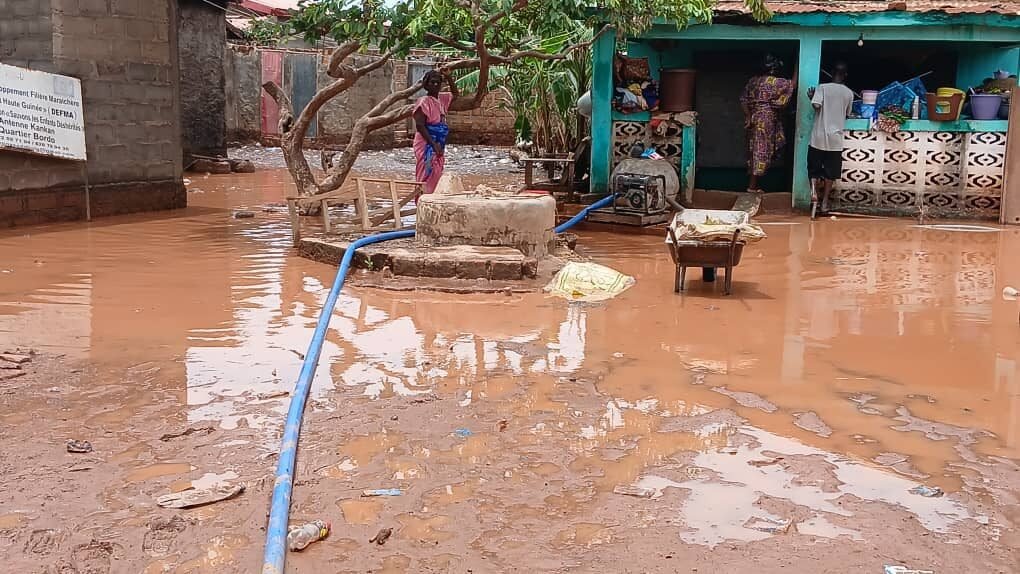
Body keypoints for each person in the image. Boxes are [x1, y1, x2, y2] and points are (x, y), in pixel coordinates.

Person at [740, 54, 798, 193]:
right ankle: (752, 187)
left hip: (755, 119)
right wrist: (798, 65)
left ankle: (754, 185)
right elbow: (792, 85)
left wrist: (748, 117)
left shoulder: (753, 81)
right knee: (761, 152)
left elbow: (743, 100)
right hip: (766, 119)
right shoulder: (773, 82)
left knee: (755, 151)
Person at [808, 62, 854, 214]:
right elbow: (848, 114)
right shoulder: (848, 93)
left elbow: (816, 106)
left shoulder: (822, 88)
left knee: (813, 169)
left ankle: (814, 193)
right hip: (835, 140)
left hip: (818, 137)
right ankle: (825, 202)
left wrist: (811, 98)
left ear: (831, 72)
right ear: (846, 75)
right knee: (830, 173)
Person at [413, 70, 455, 194]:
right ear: (426, 84)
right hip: (426, 141)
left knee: (437, 170)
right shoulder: (423, 102)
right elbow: (420, 125)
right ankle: (422, 197)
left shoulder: (442, 99)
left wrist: (449, 77)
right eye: (432, 82)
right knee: (426, 169)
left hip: (439, 140)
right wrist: (433, 144)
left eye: (438, 82)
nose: (435, 85)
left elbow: (455, 94)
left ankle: (433, 195)